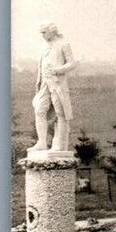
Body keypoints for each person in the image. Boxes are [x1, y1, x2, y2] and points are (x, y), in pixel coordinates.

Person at [31, 21, 76, 152]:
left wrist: (57, 70)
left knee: (60, 113)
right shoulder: (43, 46)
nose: (42, 35)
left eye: (44, 32)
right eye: (41, 33)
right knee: (39, 110)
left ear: (52, 31)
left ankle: (59, 145)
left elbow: (72, 63)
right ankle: (42, 142)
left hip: (57, 84)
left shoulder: (63, 44)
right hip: (44, 83)